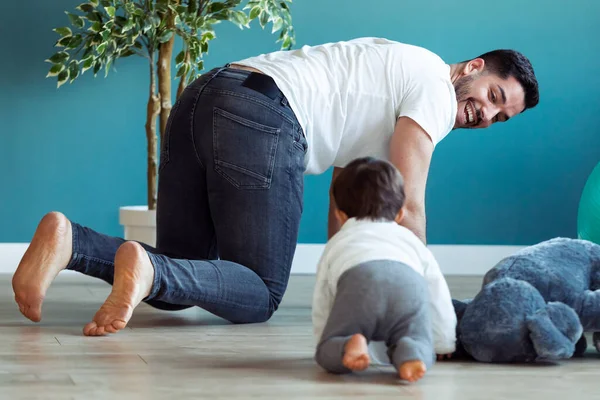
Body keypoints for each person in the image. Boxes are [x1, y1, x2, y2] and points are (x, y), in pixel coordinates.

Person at [12, 37, 539, 336]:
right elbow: (410, 204)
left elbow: (345, 196)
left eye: (501, 115)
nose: (486, 114)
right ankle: (143, 266)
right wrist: (426, 303)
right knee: (261, 292)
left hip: (205, 97)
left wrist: (341, 287)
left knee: (183, 268)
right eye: (493, 94)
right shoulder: (436, 91)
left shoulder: (396, 74)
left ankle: (70, 241)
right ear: (472, 68)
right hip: (263, 118)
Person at [312, 156, 456, 382]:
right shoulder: (410, 242)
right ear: (400, 214)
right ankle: (411, 353)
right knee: (419, 340)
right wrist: (444, 341)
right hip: (407, 285)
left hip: (359, 283)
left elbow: (323, 296)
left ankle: (348, 345)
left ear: (340, 215)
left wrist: (326, 339)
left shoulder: (338, 244)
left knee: (328, 351)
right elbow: (437, 291)